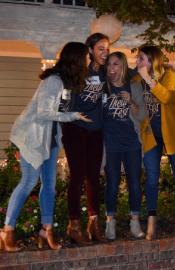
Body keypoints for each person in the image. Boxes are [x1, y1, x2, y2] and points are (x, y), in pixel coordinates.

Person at [0, 42, 91, 252]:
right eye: (85, 57)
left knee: (49, 185)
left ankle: (45, 230)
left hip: (49, 138)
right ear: (76, 59)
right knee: (28, 181)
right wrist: (73, 115)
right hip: (33, 137)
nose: (87, 61)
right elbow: (43, 112)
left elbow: (58, 111)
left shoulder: (66, 83)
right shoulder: (53, 81)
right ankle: (7, 230)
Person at [136, 45, 175, 240]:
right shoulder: (137, 80)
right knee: (152, 179)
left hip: (172, 134)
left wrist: (148, 79)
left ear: (152, 60)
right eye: (138, 59)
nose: (138, 62)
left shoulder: (169, 76)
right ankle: (151, 221)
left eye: (142, 58)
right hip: (151, 135)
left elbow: (167, 98)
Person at [62, 33, 109, 244]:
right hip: (75, 129)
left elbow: (127, 73)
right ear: (90, 50)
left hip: (96, 131)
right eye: (100, 48)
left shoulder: (107, 73)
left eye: (107, 48)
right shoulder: (79, 72)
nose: (105, 52)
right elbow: (65, 104)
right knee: (78, 176)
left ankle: (93, 223)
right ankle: (74, 225)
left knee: (93, 178)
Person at [103, 52, 146, 240]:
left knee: (134, 183)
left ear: (123, 67)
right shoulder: (103, 88)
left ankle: (134, 220)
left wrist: (131, 102)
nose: (111, 69)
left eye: (115, 65)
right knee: (112, 183)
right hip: (111, 144)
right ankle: (109, 222)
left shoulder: (133, 86)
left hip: (132, 143)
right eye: (109, 65)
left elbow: (142, 115)